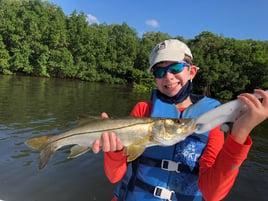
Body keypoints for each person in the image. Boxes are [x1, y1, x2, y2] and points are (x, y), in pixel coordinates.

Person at [92, 39, 268, 201]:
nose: (168, 76)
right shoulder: (143, 110)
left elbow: (213, 194)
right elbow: (114, 176)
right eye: (160, 71)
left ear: (191, 72)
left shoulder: (212, 118)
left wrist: (240, 133)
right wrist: (114, 151)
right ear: (155, 79)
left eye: (175, 69)